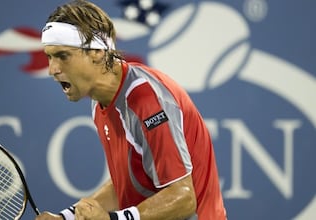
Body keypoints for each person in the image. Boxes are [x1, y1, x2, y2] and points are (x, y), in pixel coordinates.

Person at [37, 0, 227, 219]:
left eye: (62, 56)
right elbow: (126, 184)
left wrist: (112, 219)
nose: (52, 69)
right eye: (49, 57)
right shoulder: (100, 102)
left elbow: (183, 198)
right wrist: (66, 217)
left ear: (97, 52)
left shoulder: (145, 100)